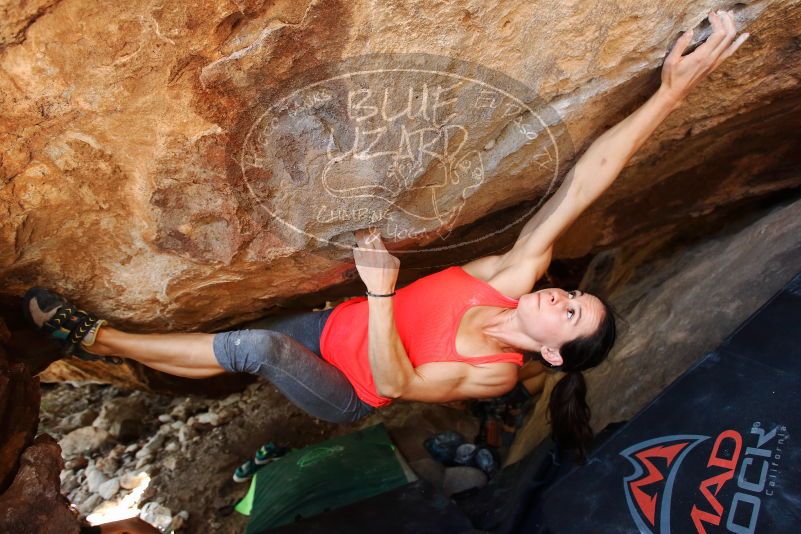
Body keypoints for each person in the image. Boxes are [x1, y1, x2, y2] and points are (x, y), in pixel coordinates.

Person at [22, 11, 748, 461]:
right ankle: (120, 349)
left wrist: (378, 293)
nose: (561, 297)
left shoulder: (489, 373)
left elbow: (396, 381)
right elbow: (584, 183)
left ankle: (98, 340)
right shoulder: (510, 276)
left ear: (552, 350)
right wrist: (671, 90)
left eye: (568, 314)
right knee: (237, 342)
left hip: (348, 384)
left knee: (257, 348)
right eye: (571, 298)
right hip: (332, 323)